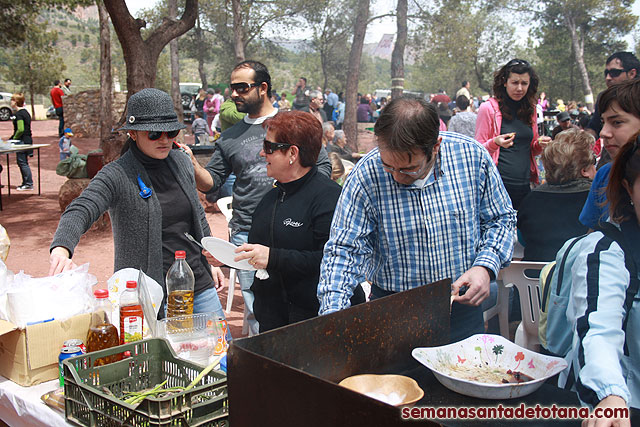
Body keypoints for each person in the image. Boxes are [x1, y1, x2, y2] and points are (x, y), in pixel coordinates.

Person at [318, 97, 516, 342]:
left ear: (435, 146)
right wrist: (333, 316)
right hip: (392, 311)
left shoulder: (472, 158)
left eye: (409, 168)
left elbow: (502, 219)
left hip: (461, 306)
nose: (398, 177)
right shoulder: (366, 175)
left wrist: (485, 267)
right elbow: (343, 251)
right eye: (389, 166)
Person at [48, 88, 228, 323]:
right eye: (154, 133)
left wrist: (208, 257)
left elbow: (197, 216)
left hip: (198, 282)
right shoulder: (117, 174)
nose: (164, 140)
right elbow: (81, 209)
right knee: (163, 358)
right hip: (149, 294)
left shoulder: (181, 162)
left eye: (170, 132)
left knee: (218, 353)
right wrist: (62, 247)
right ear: (132, 133)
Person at [185, 60, 332, 336]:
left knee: (300, 300)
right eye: (232, 88)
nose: (234, 94)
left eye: (242, 87)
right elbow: (212, 182)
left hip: (296, 230)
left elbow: (320, 170)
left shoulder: (294, 126)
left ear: (262, 88)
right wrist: (193, 166)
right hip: (248, 231)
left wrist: (292, 198)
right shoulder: (229, 137)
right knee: (258, 308)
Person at [232, 111, 364, 332]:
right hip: (274, 322)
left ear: (292, 153)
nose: (262, 153)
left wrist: (273, 257)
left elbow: (333, 261)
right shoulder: (270, 198)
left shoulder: (328, 198)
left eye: (268, 147)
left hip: (316, 324)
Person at [559, 135, 640, 426]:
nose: (606, 132)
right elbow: (598, 328)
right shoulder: (606, 251)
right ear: (628, 189)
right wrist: (610, 395)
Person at [475, 59, 551, 210]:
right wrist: (495, 142)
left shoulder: (531, 110)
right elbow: (478, 150)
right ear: (504, 82)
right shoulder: (488, 109)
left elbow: (531, 148)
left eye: (524, 83)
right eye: (515, 82)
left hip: (524, 185)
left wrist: (540, 144)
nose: (519, 88)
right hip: (497, 187)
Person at [517, 129, 595, 261]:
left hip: (533, 277)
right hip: (578, 277)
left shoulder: (531, 199)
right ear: (585, 170)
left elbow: (522, 240)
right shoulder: (596, 200)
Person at [580, 79, 640, 230]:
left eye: (617, 122)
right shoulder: (604, 175)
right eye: (603, 122)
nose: (603, 133)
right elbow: (592, 235)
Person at [9, 93, 33, 191]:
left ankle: (28, 183)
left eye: (12, 100)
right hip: (28, 139)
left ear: (16, 101)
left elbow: (20, 129)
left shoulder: (19, 114)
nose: (10, 102)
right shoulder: (26, 112)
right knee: (23, 162)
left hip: (22, 141)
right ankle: (26, 182)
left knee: (22, 162)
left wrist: (14, 138)